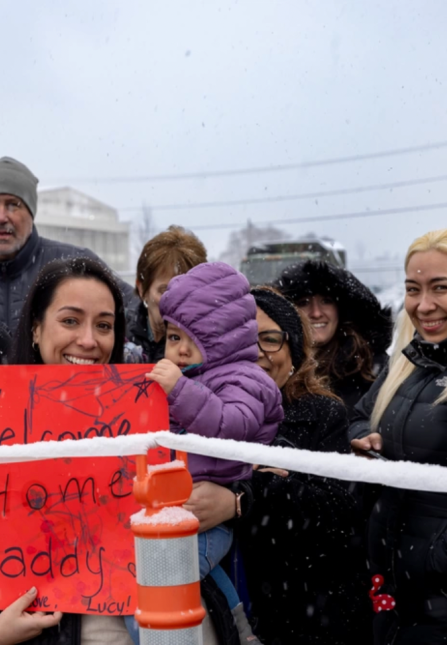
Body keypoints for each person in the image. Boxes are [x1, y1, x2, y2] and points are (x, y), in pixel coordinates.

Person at [0, 257, 243, 645]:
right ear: (36, 329)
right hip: (57, 626)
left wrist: (236, 501)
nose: (89, 340)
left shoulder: (160, 399)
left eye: (104, 325)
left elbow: (252, 460)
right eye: (70, 320)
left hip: (170, 620)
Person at [351, 228, 447, 644]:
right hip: (400, 599)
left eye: (440, 288)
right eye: (413, 289)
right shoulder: (409, 361)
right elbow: (361, 415)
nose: (423, 305)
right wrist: (364, 439)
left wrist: (440, 556)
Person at [137, 262, 283, 644]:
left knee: (156, 584)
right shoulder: (191, 380)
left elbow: (232, 425)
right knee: (199, 580)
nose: (180, 350)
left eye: (194, 338)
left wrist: (179, 394)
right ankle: (241, 628)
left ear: (223, 339)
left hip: (209, 516)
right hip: (178, 507)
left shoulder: (246, 380)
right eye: (172, 337)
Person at [239, 287, 371, 645]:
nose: (258, 353)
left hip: (309, 614)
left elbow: (338, 514)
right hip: (235, 611)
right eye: (244, 339)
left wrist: (253, 492)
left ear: (294, 349)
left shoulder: (322, 413)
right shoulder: (204, 416)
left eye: (270, 339)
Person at [0, 157, 136, 337]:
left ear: (31, 212)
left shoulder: (74, 263)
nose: (1, 217)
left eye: (13, 205)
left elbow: (138, 312)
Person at [275, 261, 392, 409]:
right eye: (304, 302)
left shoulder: (372, 366)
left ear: (341, 310)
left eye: (326, 301)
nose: (316, 313)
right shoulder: (273, 367)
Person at [127, 225, 208, 363]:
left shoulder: (209, 345)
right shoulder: (117, 337)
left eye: (186, 292)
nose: (176, 302)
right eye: (165, 291)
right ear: (142, 290)